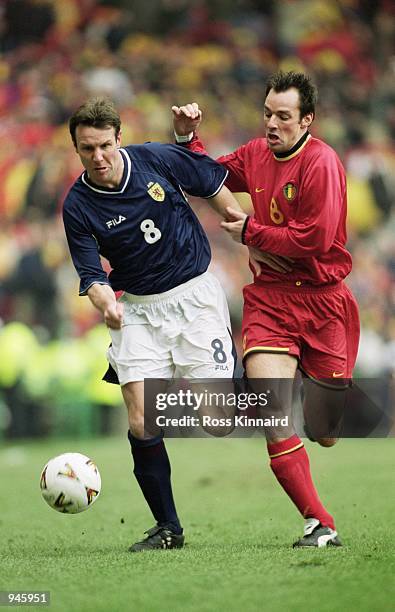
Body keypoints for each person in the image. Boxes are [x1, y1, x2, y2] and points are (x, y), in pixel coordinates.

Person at [172, 70, 360, 548]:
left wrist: (250, 230)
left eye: (283, 116)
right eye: (267, 114)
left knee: (326, 431)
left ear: (307, 120)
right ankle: (320, 523)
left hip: (324, 303)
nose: (272, 124)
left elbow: (315, 240)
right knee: (272, 411)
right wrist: (185, 137)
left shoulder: (322, 164)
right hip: (271, 299)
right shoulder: (255, 154)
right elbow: (208, 176)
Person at [63, 96, 246, 552]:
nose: (98, 157)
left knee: (218, 420)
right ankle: (168, 528)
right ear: (77, 149)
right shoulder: (77, 205)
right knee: (142, 419)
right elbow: (90, 274)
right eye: (87, 149)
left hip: (194, 298)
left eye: (104, 145)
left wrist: (248, 234)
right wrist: (106, 304)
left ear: (119, 139)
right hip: (138, 310)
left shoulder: (155, 159)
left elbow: (210, 183)